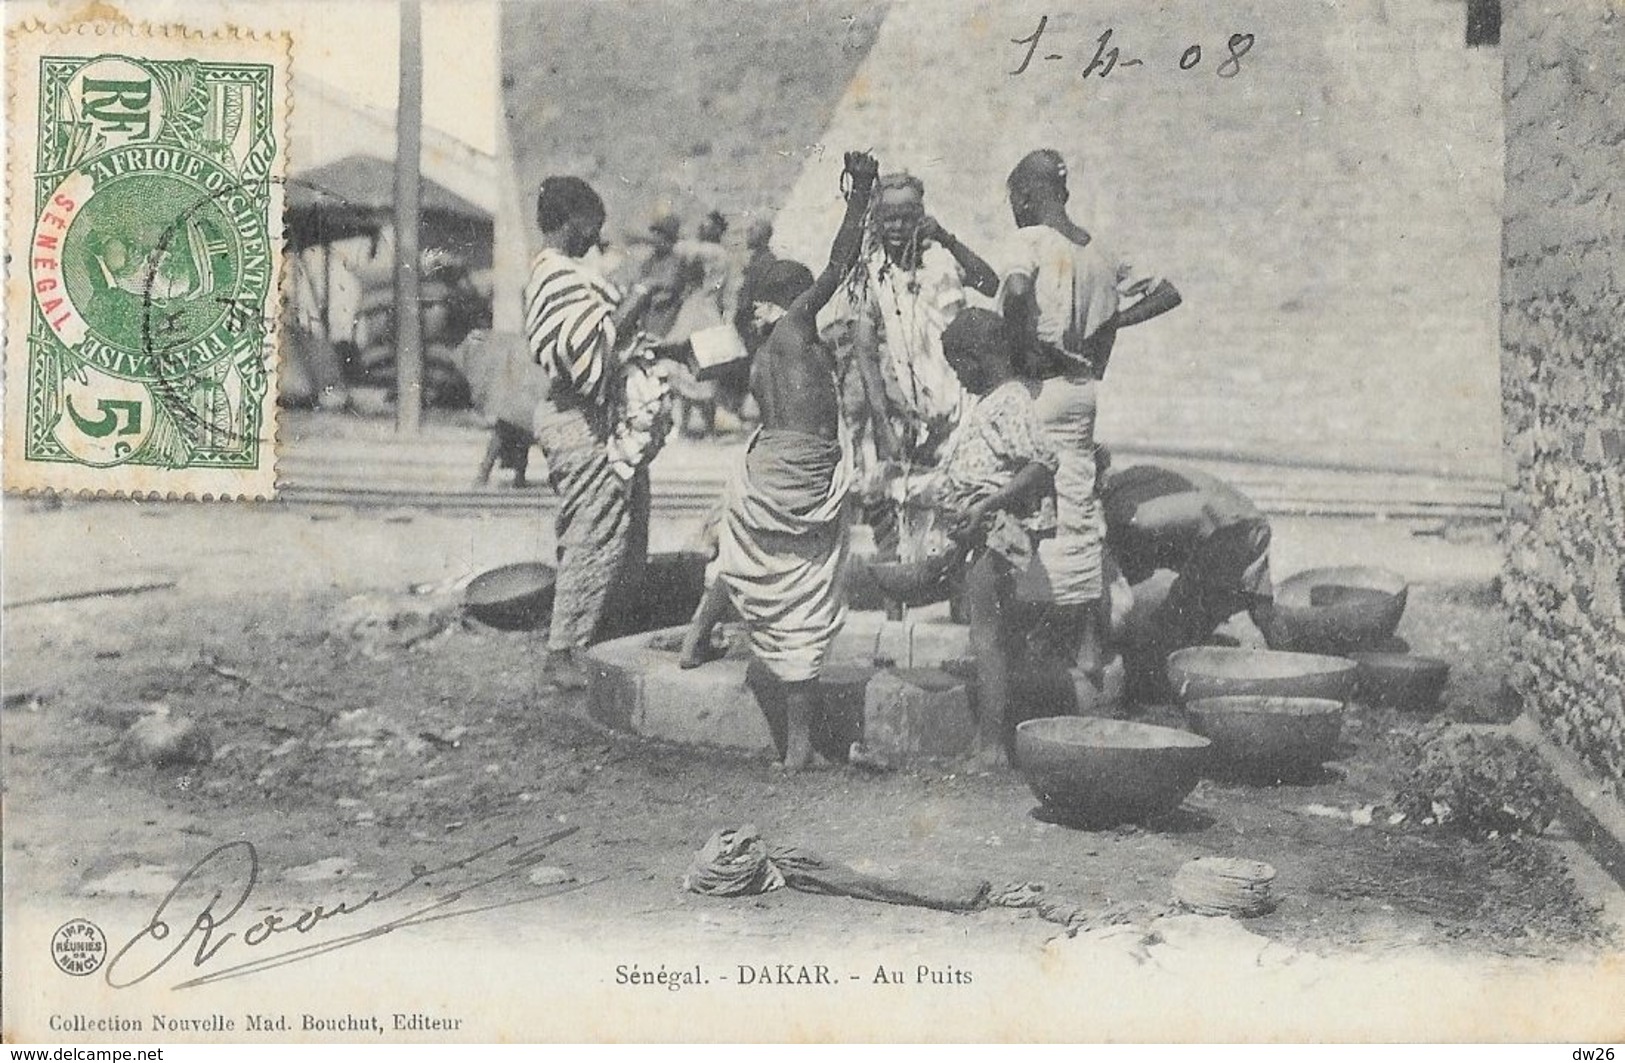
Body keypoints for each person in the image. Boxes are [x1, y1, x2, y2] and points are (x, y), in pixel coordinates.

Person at [683, 149, 880, 772]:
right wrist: (860, 195)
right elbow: (839, 265)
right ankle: (797, 750)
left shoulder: (766, 346)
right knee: (801, 600)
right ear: (788, 302)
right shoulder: (794, 329)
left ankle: (695, 638)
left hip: (770, 469)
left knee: (746, 563)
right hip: (797, 473)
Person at [1000, 148, 1183, 681]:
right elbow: (1168, 292)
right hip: (1083, 392)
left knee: (1032, 511)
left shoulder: (1028, 240)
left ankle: (1038, 650)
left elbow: (1014, 291)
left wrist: (1027, 348)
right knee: (1077, 505)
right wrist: (1109, 325)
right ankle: (1086, 647)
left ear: (1028, 197)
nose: (1015, 210)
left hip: (1038, 391)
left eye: (1016, 201)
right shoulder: (1100, 251)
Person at [525, 176, 657, 691]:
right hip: (579, 419)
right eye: (591, 227)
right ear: (572, 221)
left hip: (594, 418)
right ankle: (563, 652)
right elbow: (586, 357)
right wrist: (634, 306)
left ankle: (603, 638)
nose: (594, 238)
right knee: (594, 532)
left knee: (621, 528)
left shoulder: (561, 274)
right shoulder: (557, 276)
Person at [848, 172, 1000, 562]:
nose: (897, 226)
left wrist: (947, 237)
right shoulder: (870, 271)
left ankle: (956, 586)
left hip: (959, 400)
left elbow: (990, 282)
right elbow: (864, 350)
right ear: (877, 220)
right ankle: (897, 599)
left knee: (960, 498)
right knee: (894, 502)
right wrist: (881, 421)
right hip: (902, 409)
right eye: (888, 217)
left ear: (921, 216)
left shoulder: (943, 259)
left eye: (906, 216)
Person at [933, 309, 1058, 767]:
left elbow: (1041, 464)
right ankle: (989, 741)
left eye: (959, 367)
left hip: (997, 532)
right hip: (982, 532)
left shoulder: (1009, 401)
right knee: (989, 635)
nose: (959, 378)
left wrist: (985, 505)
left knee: (988, 638)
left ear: (980, 356)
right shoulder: (995, 400)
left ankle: (991, 748)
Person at [1098, 448, 1275, 698]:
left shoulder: (1119, 506)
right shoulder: (1138, 477)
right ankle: (1296, 668)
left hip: (1226, 530)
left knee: (1161, 647)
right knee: (1261, 613)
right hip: (1246, 521)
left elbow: (1201, 514)